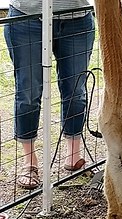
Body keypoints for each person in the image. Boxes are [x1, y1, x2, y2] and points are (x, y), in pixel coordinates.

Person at [4, 0, 95, 189]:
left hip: (76, 17)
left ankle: (74, 156)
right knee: (28, 92)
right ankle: (29, 163)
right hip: (27, 17)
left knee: (76, 90)